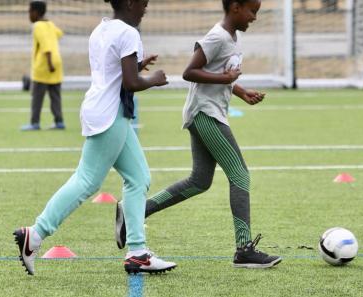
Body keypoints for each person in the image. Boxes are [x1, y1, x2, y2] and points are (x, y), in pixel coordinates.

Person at [115, 0, 282, 269]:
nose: (254, 17)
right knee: (240, 175)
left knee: (199, 181)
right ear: (236, 7)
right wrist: (226, 81)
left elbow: (221, 73)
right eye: (253, 11)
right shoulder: (217, 37)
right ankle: (244, 250)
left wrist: (240, 91)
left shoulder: (232, 37)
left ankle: (135, 210)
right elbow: (189, 72)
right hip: (205, 114)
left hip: (209, 113)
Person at [14, 0, 177, 275]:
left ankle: (138, 252)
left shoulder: (101, 29)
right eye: (143, 3)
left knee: (139, 178)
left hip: (104, 110)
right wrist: (154, 79)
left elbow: (113, 70)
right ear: (128, 2)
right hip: (111, 114)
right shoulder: (128, 33)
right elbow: (130, 83)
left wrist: (137, 65)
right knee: (87, 181)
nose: (145, 8)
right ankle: (36, 233)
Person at [21, 1, 66, 131]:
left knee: (37, 97)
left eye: (29, 12)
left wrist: (49, 63)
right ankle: (59, 122)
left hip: (45, 65)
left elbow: (45, 45)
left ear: (35, 13)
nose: (28, 15)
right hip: (57, 62)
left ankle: (34, 123)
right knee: (55, 96)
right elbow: (59, 33)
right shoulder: (49, 24)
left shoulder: (38, 26)